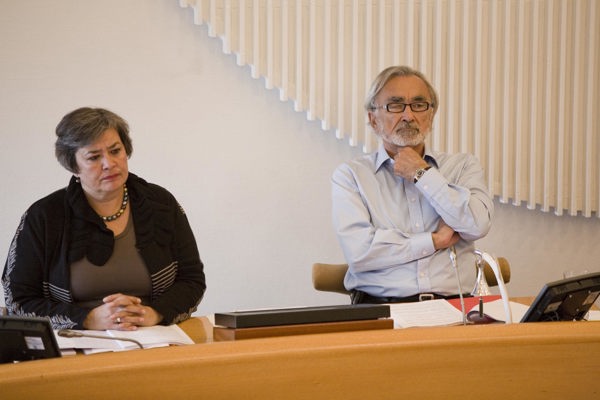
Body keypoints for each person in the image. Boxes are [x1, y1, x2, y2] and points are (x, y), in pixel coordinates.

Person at [2, 107, 206, 330]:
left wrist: (154, 314)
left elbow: (192, 280)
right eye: (94, 157)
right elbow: (18, 300)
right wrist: (87, 319)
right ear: (73, 166)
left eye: (115, 151)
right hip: (76, 339)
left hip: (153, 335)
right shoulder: (44, 216)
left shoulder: (161, 204)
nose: (109, 163)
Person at [331, 66, 494, 304]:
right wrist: (434, 241)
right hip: (380, 309)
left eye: (418, 105)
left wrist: (422, 174)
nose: (408, 116)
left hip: (455, 307)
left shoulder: (462, 167)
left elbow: (477, 225)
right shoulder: (351, 176)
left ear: (431, 115)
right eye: (395, 105)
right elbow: (360, 253)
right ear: (373, 119)